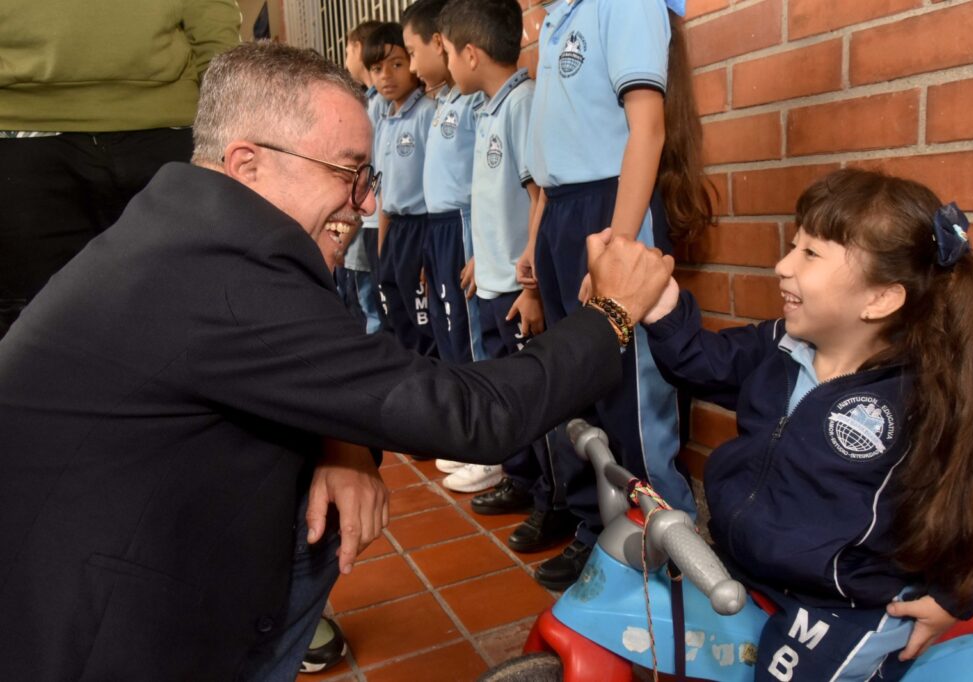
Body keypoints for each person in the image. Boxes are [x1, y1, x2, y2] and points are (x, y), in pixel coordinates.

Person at [0, 41, 676, 681]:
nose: (368, 202)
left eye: (368, 177)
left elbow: (324, 361)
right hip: (76, 626)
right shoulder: (226, 276)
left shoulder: (191, 227)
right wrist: (612, 313)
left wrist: (343, 443)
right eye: (350, 173)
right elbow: (473, 415)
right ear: (247, 165)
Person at [643, 168, 973, 680]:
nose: (781, 266)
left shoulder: (925, 397)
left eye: (810, 254)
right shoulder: (780, 345)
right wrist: (660, 307)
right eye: (791, 247)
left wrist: (955, 600)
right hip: (746, 565)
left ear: (880, 298)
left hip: (843, 604)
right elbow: (701, 362)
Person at [518, 0, 713, 589]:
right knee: (574, 384)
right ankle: (595, 529)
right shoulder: (556, 18)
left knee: (631, 397)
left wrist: (618, 245)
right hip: (563, 212)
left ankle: (665, 540)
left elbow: (646, 130)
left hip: (611, 206)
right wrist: (538, 239)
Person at [0, 0, 241, 339]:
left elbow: (212, 17)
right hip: (22, 133)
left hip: (167, 126)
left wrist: (227, 116)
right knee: (35, 332)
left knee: (197, 312)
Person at [438, 0, 578, 537]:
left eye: (449, 53)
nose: (449, 65)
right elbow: (496, 200)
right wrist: (482, 255)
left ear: (471, 54)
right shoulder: (489, 108)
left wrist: (533, 286)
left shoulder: (521, 104)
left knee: (535, 401)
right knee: (507, 394)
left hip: (518, 289)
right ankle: (520, 477)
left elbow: (538, 196)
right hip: (494, 281)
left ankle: (554, 500)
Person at [402, 0, 497, 491]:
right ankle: (466, 434)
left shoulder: (474, 104)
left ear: (442, 44)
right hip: (438, 228)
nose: (412, 65)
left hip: (462, 225)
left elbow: (482, 180)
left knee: (470, 336)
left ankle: (488, 448)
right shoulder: (444, 102)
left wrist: (478, 246)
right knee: (449, 336)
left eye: (413, 52)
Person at [364, 23, 436, 355]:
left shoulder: (426, 113)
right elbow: (384, 193)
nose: (386, 76)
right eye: (377, 68)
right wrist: (383, 248)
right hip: (394, 230)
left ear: (412, 63)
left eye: (396, 64)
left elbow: (433, 188)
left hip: (421, 228)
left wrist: (428, 252)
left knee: (423, 320)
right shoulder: (384, 121)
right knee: (397, 313)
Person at [339, 19, 388, 335]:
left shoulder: (378, 105)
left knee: (373, 305)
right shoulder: (368, 101)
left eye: (347, 51)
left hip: (373, 221)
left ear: (358, 47)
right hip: (366, 222)